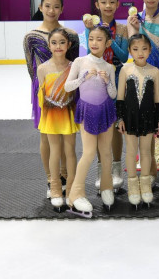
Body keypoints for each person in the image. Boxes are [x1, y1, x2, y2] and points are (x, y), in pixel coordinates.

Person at [23, 0, 79, 198]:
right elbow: (31, 67)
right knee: (47, 136)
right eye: (47, 6)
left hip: (67, 91)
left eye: (56, 6)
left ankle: (65, 175)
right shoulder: (31, 37)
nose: (51, 10)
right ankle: (51, 179)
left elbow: (74, 65)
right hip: (44, 91)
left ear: (62, 9)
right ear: (40, 7)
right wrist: (43, 92)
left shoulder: (70, 35)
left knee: (66, 135)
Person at [65, 25, 117, 217]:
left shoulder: (109, 67)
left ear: (107, 43)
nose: (94, 43)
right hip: (87, 110)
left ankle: (106, 186)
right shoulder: (79, 62)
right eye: (91, 39)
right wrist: (82, 79)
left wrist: (108, 82)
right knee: (88, 152)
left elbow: (114, 94)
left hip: (106, 110)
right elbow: (68, 87)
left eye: (99, 39)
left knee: (106, 152)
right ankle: (75, 193)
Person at [127, 0, 159, 190]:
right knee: (147, 124)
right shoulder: (134, 19)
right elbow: (133, 49)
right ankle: (151, 170)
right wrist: (136, 28)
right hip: (142, 78)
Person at [84, 0, 129, 195]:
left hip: (117, 78)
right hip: (96, 80)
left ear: (118, 4)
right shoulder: (90, 27)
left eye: (112, 2)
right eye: (103, 2)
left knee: (117, 124)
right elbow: (90, 53)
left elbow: (124, 56)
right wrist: (90, 32)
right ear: (97, 5)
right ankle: (102, 170)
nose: (108, 6)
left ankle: (117, 167)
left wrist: (109, 38)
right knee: (100, 126)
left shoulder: (122, 28)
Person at [116, 34, 159, 208]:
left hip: (148, 116)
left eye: (144, 49)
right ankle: (132, 185)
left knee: (145, 152)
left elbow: (158, 97)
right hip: (129, 116)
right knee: (130, 151)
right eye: (135, 49)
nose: (140, 53)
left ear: (150, 50)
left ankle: (145, 184)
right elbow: (120, 96)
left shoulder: (155, 71)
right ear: (130, 51)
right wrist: (120, 118)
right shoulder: (125, 70)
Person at [36, 28, 79, 210]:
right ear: (49, 45)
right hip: (51, 115)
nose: (58, 46)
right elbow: (41, 94)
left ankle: (71, 188)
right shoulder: (42, 68)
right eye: (54, 43)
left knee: (70, 150)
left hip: (68, 114)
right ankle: (55, 187)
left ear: (68, 45)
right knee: (54, 150)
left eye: (62, 42)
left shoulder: (74, 66)